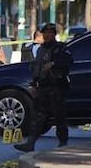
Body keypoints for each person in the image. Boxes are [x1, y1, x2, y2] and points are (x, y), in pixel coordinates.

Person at [14, 23, 73, 152]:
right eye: (45, 32)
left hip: (57, 87)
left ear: (54, 34)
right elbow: (37, 68)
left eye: (50, 32)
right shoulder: (41, 49)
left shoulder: (60, 48)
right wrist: (35, 83)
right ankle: (30, 143)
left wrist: (53, 63)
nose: (47, 35)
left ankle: (63, 143)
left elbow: (68, 62)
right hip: (43, 87)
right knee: (38, 116)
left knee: (59, 116)